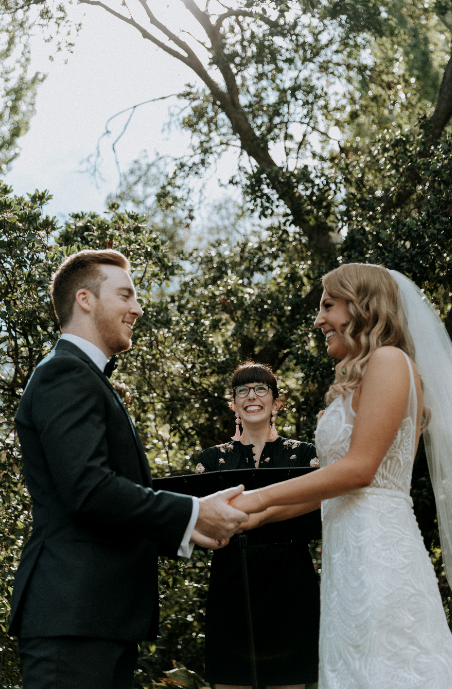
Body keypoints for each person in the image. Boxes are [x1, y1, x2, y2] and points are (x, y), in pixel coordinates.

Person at [9, 249, 247, 689]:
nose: (137, 308)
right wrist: (192, 512)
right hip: (73, 617)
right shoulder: (65, 373)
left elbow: (100, 499)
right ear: (85, 299)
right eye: (126, 295)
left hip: (97, 618)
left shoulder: (84, 375)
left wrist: (189, 527)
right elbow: (89, 490)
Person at [230, 264, 452, 687]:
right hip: (346, 557)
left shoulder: (389, 360)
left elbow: (359, 470)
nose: (318, 319)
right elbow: (334, 482)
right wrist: (258, 517)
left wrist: (257, 497)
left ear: (362, 306)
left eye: (328, 305)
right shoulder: (362, 376)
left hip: (379, 554)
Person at [195, 362, 321, 689]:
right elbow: (202, 524)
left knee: (289, 680)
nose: (252, 395)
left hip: (291, 583)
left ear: (276, 402)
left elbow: (320, 515)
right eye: (242, 390)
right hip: (231, 582)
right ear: (234, 403)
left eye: (261, 388)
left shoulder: (304, 455)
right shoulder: (211, 461)